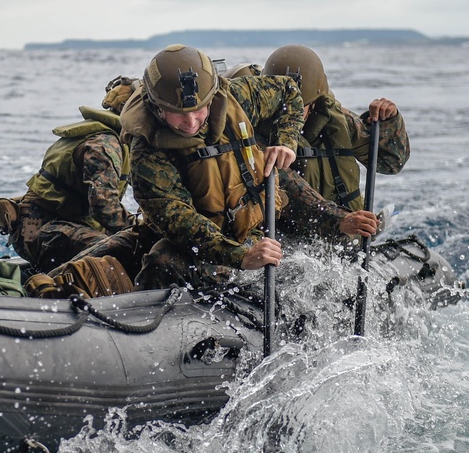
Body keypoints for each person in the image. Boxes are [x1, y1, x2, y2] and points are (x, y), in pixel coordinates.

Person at [75, 44, 305, 292]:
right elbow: (181, 223)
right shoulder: (147, 153)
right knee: (144, 260)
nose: (191, 122)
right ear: (157, 107)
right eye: (178, 113)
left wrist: (286, 142)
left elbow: (288, 91)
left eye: (199, 110)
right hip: (202, 240)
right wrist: (241, 256)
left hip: (252, 227)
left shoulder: (236, 97)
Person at [261, 44, 410, 241]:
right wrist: (341, 219)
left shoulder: (337, 121)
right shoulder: (256, 136)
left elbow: (390, 163)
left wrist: (390, 124)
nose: (289, 114)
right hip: (289, 247)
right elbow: (287, 190)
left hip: (347, 242)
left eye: (299, 106)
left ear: (314, 101)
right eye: (281, 106)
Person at [0, 86, 135, 272]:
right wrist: (139, 231)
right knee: (122, 250)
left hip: (66, 226)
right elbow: (104, 207)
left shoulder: (122, 142)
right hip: (38, 231)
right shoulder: (104, 146)